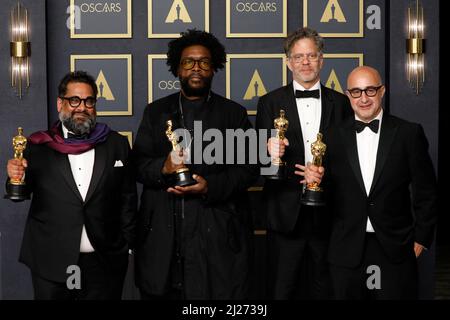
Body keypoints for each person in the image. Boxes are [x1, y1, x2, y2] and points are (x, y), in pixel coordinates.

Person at [133, 29, 258, 299]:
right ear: (177, 68)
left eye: (204, 62)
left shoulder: (233, 114)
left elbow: (249, 170)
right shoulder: (155, 113)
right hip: (163, 237)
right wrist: (163, 168)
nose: (196, 68)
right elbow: (139, 165)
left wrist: (209, 186)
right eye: (188, 62)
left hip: (217, 237)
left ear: (214, 69)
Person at [306, 66, 438, 299]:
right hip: (345, 250)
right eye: (356, 92)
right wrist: (313, 181)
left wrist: (422, 239)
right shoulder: (331, 136)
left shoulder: (408, 133)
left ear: (382, 91)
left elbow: (426, 191)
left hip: (395, 248)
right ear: (348, 96)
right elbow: (326, 194)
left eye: (370, 90)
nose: (364, 98)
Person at [6, 71, 137, 300]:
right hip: (51, 261)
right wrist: (14, 177)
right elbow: (21, 191)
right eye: (74, 100)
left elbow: (127, 198)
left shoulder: (116, 144)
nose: (82, 107)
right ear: (61, 103)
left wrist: (127, 247)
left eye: (89, 101)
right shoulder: (38, 145)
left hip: (104, 263)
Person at [255, 27, 352, 299]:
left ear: (322, 60)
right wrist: (266, 151)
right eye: (298, 57)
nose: (305, 62)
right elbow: (260, 166)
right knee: (281, 289)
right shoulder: (269, 102)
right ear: (288, 62)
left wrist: (325, 175)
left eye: (311, 56)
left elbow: (351, 162)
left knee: (327, 288)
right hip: (285, 214)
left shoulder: (342, 104)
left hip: (330, 214)